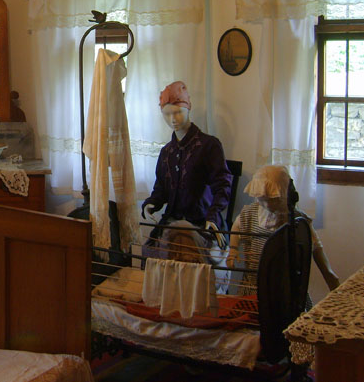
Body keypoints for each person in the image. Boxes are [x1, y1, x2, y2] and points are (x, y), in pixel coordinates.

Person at [141, 81, 232, 253]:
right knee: (149, 252)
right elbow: (161, 189)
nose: (173, 119)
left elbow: (223, 185)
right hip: (172, 223)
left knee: (194, 257)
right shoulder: (166, 152)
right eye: (167, 114)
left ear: (188, 108)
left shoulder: (209, 145)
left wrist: (213, 216)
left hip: (202, 223)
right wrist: (151, 204)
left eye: (177, 112)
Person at [227, 165, 340, 301]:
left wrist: (329, 274)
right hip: (253, 286)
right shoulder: (249, 213)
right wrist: (233, 249)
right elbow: (237, 225)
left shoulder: (297, 219)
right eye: (262, 200)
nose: (267, 205)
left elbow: (315, 246)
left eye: (272, 200)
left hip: (286, 290)